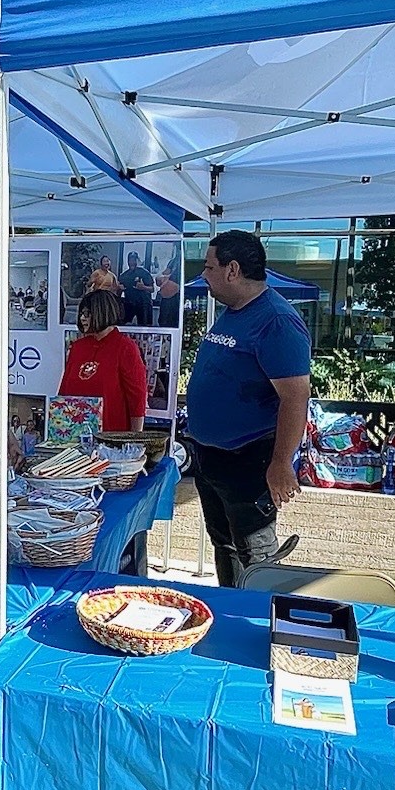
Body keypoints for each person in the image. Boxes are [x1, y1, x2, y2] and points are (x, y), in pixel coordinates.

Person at [185, 230, 312, 587]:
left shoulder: (276, 320)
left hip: (249, 460)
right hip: (213, 457)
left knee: (256, 557)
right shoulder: (234, 312)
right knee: (224, 543)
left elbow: (295, 397)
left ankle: (255, 623)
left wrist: (280, 463)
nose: (204, 275)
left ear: (232, 269)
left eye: (209, 267)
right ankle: (230, 612)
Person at [60, 289, 148, 434]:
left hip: (112, 437)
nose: (82, 318)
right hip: (74, 435)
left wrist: (134, 438)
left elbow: (137, 397)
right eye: (82, 313)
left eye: (87, 314)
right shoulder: (78, 347)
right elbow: (64, 391)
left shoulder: (125, 347)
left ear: (102, 312)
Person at [119, 251, 154, 326]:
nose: (132, 262)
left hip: (143, 304)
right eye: (130, 260)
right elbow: (119, 292)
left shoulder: (144, 272)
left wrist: (143, 287)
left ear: (137, 261)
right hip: (129, 304)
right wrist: (119, 289)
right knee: (124, 324)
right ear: (128, 261)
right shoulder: (123, 276)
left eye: (134, 260)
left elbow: (152, 289)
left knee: (145, 326)